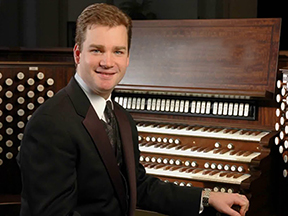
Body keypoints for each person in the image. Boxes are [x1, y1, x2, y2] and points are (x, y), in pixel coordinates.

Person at [17, 3, 249, 216]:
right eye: (97, 50)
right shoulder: (50, 123)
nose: (107, 62)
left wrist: (207, 197)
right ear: (78, 54)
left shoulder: (120, 116)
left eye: (118, 51)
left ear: (128, 58)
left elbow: (137, 186)